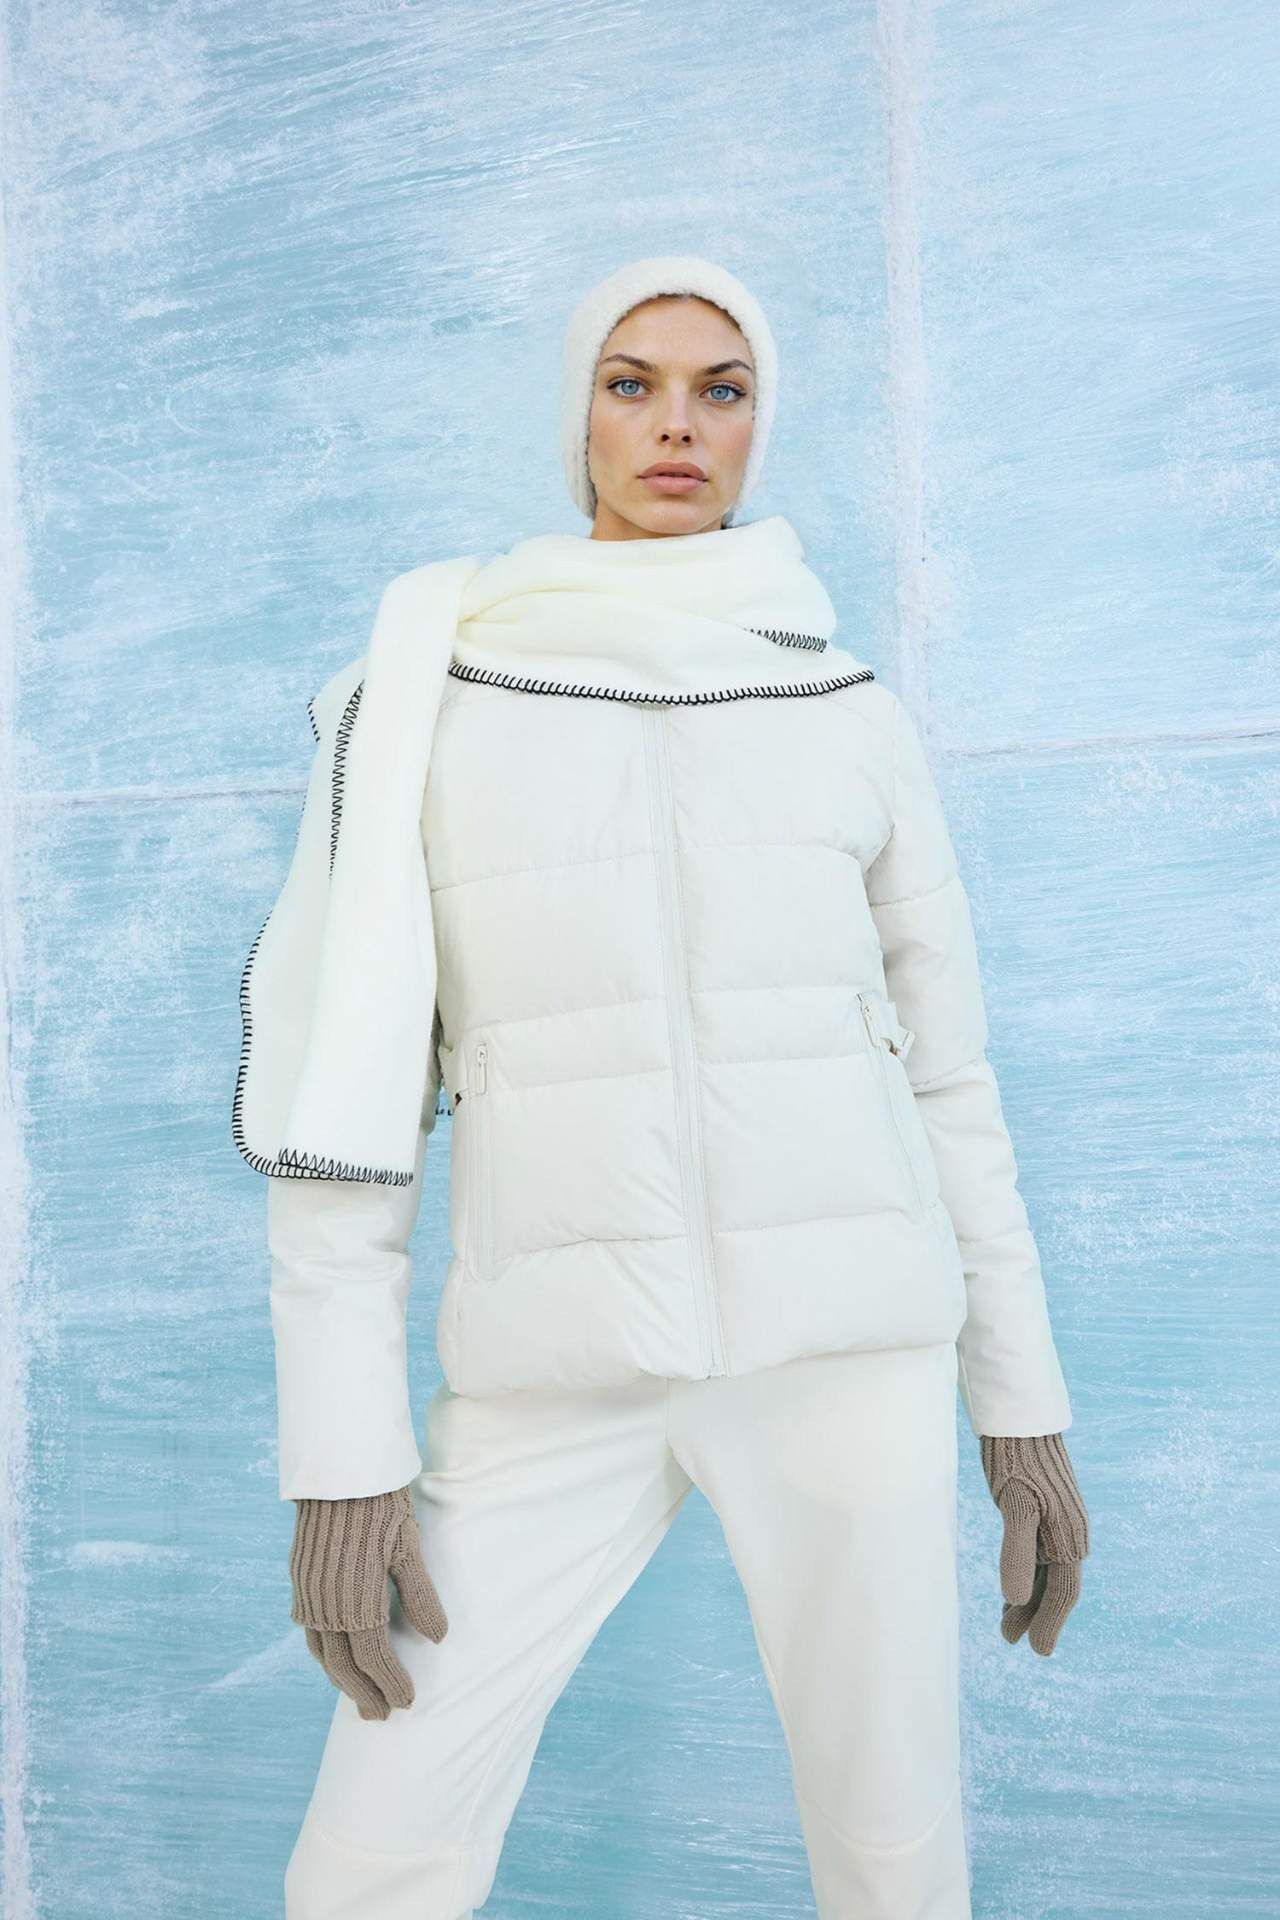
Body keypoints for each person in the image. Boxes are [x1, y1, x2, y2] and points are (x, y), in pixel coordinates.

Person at [234, 254, 1090, 1920]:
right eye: (633, 384)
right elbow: (348, 1111)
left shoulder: (847, 711)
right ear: (578, 412)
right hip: (553, 1371)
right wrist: (341, 1454)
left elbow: (948, 1084)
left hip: (849, 1360)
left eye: (723, 388)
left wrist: (1022, 1407)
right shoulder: (426, 699)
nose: (677, 424)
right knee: (368, 1860)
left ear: (763, 421)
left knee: (893, 1854)